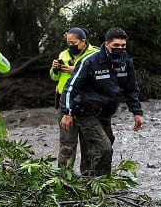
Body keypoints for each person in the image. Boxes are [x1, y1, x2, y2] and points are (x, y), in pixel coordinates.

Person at [59, 27, 144, 176]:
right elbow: (70, 88)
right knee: (101, 147)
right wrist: (67, 113)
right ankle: (64, 180)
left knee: (99, 147)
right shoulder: (91, 62)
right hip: (83, 111)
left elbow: (131, 89)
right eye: (116, 46)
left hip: (105, 113)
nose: (120, 49)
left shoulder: (126, 63)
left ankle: (93, 182)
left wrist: (137, 112)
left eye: (123, 46)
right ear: (106, 44)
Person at [49, 27, 99, 171]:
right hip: (65, 103)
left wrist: (76, 70)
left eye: (73, 42)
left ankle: (89, 178)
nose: (70, 45)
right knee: (66, 143)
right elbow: (54, 78)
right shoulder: (64, 54)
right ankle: (64, 178)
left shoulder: (95, 54)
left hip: (87, 103)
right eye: (68, 42)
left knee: (88, 143)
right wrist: (55, 69)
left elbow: (100, 77)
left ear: (83, 42)